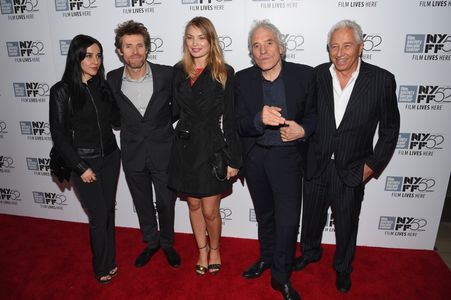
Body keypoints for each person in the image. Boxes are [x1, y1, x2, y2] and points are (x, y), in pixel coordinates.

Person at [295, 20, 400, 293]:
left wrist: (372, 166)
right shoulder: (316, 75)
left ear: (361, 47)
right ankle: (309, 252)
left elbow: (390, 130)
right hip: (317, 163)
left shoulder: (381, 80)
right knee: (312, 217)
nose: (340, 53)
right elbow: (306, 116)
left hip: (354, 167)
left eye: (347, 45)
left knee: (346, 223)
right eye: (334, 47)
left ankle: (342, 268)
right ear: (327, 49)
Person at [235, 20, 317, 300]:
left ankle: (280, 277)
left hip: (288, 159)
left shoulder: (305, 76)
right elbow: (238, 123)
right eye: (255, 46)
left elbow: (317, 115)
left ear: (281, 47)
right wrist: (258, 118)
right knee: (265, 216)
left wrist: (303, 130)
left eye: (268, 43)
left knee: (288, 221)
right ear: (251, 52)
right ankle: (266, 258)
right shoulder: (242, 79)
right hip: (256, 157)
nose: (263, 50)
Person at [168, 16, 241, 276]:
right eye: (190, 37)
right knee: (193, 205)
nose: (195, 43)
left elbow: (231, 120)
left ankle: (215, 248)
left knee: (210, 209)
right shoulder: (178, 71)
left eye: (201, 37)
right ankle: (201, 249)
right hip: (184, 147)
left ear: (211, 41)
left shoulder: (224, 72)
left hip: (211, 147)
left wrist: (234, 159)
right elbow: (173, 111)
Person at [107, 20, 180, 268]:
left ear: (147, 48)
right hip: (132, 153)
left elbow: (176, 110)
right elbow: (115, 117)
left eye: (139, 45)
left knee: (166, 202)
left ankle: (168, 243)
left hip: (164, 151)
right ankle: (152, 243)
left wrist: (159, 130)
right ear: (119, 51)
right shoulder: (112, 78)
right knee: (142, 202)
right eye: (128, 46)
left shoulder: (166, 74)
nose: (135, 51)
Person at [49, 34, 121, 284]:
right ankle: (101, 266)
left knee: (108, 212)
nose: (95, 61)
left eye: (99, 55)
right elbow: (58, 134)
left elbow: (116, 121)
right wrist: (80, 167)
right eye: (89, 55)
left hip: (111, 157)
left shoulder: (102, 86)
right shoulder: (61, 91)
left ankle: (111, 260)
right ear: (76, 57)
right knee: (99, 216)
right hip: (84, 163)